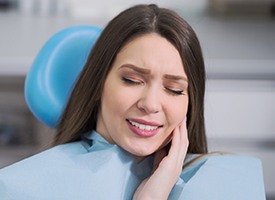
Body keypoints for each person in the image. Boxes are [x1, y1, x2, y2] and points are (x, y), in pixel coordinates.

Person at [0, 4, 265, 200]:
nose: (151, 104)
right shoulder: (24, 188)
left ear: (190, 103)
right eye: (132, 80)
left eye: (174, 89)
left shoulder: (224, 181)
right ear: (98, 83)